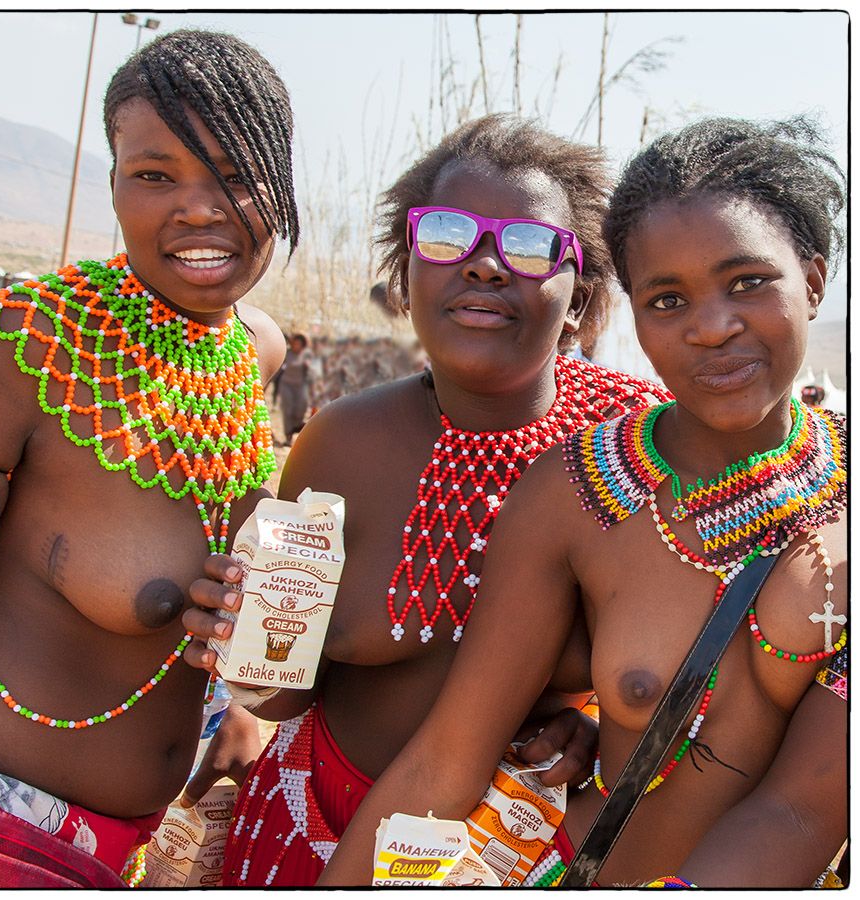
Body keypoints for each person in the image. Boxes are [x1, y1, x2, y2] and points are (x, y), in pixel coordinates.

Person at [315, 116, 847, 888]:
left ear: (815, 281)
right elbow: (444, 765)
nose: (711, 326)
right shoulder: (574, 494)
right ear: (630, 312)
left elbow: (804, 809)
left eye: (748, 282)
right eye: (667, 299)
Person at [183, 113, 671, 886]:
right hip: (314, 831)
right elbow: (285, 690)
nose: (483, 265)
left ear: (580, 298)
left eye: (530, 245)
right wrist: (240, 654)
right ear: (405, 277)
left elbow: (674, 674)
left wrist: (592, 724)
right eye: (446, 235)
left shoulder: (627, 455)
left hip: (516, 856)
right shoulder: (340, 444)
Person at [0, 29, 300, 888]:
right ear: (113, 184)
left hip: (150, 843)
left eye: (235, 174)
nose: (197, 209)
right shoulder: (23, 347)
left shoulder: (254, 350)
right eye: (154, 174)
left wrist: (237, 700)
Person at [277, 331, 315, 444]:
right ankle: (288, 436)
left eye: (298, 344)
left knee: (300, 409)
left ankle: (296, 428)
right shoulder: (287, 354)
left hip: (301, 386)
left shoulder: (307, 355)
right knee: (287, 409)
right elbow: (278, 368)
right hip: (286, 384)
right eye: (294, 344)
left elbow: (313, 373)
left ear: (303, 345)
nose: (296, 346)